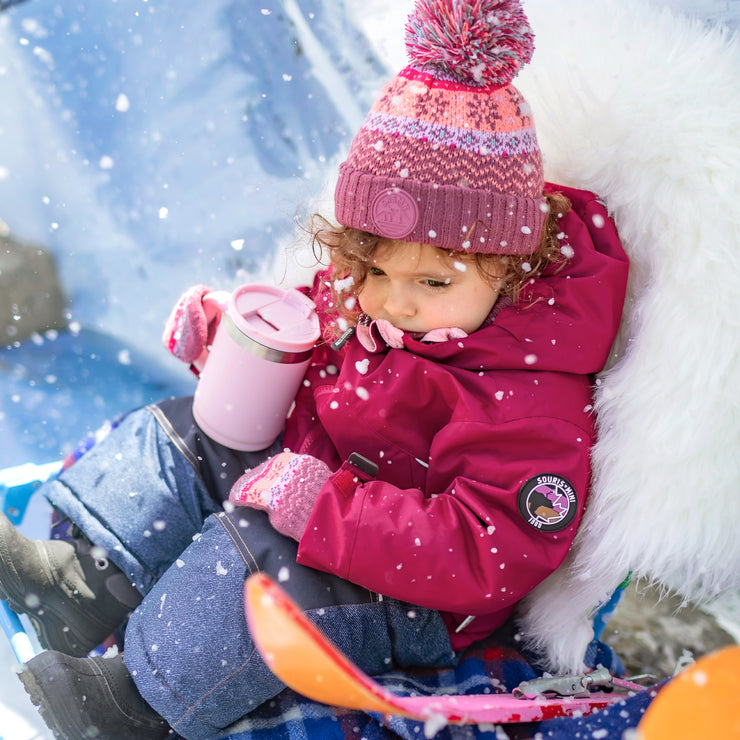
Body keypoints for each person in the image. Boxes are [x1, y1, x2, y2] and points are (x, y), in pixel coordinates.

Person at [0, 1, 629, 738]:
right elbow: (312, 363)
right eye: (370, 267)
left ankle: (140, 702)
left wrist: (325, 510)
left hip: (412, 592)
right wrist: (237, 344)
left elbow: (483, 548)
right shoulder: (370, 296)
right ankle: (82, 581)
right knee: (194, 430)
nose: (393, 302)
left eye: (433, 283)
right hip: (326, 488)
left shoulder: (527, 394)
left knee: (270, 555)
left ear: (511, 269)